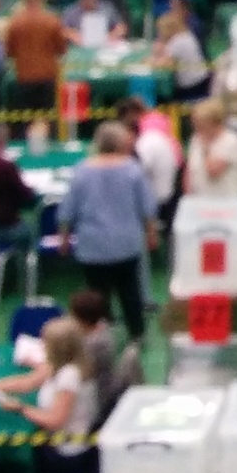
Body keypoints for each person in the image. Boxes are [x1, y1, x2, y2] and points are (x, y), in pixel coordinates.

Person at [63, 122, 158, 340]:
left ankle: (100, 333)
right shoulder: (133, 169)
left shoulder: (81, 170)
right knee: (130, 290)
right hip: (126, 242)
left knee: (96, 292)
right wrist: (151, 233)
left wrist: (64, 237)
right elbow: (147, 208)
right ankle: (137, 333)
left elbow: (68, 209)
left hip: (92, 244)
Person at [0, 316, 95, 437]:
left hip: (65, 446)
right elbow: (27, 382)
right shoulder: (63, 363)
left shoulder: (69, 375)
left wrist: (21, 409)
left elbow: (55, 421)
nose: (42, 346)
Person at [0, 0, 69, 122]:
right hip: (47, 76)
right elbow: (61, 49)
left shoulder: (15, 23)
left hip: (24, 77)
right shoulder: (52, 21)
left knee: (23, 120)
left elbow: (9, 52)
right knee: (49, 118)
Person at [182, 99, 237, 197]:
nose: (196, 127)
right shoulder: (196, 139)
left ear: (214, 123)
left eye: (201, 124)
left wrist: (205, 148)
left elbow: (213, 171)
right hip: (198, 201)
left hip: (224, 202)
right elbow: (189, 170)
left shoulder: (230, 141)